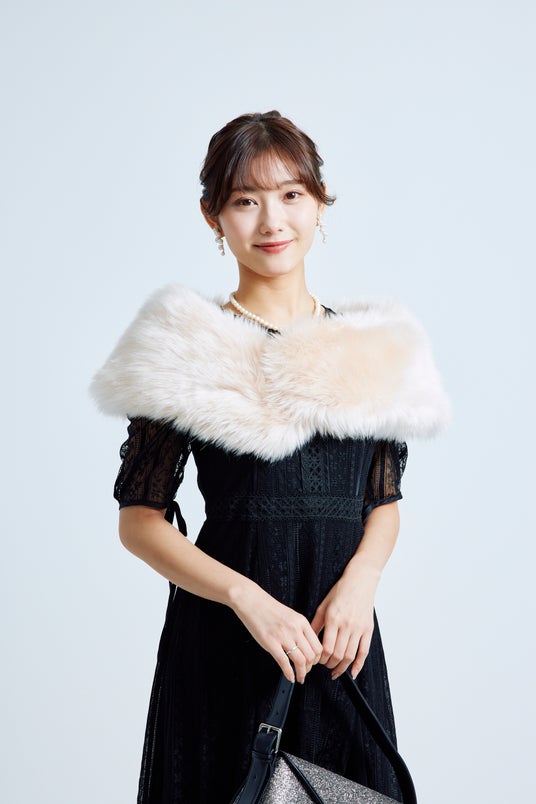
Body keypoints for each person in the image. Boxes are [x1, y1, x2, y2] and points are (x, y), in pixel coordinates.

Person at [91, 110, 450, 803]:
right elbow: (139, 522)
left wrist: (362, 583)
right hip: (229, 635)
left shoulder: (372, 348)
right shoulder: (185, 347)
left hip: (340, 639)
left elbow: (382, 502)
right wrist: (246, 599)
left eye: (291, 194)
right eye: (245, 201)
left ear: (319, 205)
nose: (272, 221)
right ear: (213, 217)